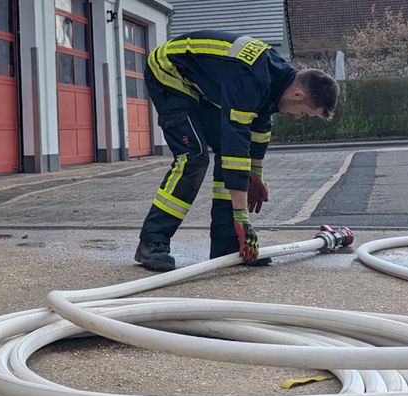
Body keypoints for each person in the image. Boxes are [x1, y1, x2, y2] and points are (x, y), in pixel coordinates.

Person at [134, 30, 339, 272]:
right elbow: (236, 143)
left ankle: (226, 244)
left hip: (198, 82)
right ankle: (152, 241)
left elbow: (259, 130)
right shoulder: (251, 79)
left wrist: (255, 175)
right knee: (194, 158)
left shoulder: (276, 79)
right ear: (298, 94)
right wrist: (242, 218)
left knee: (225, 155)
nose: (297, 117)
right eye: (303, 112)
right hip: (168, 72)